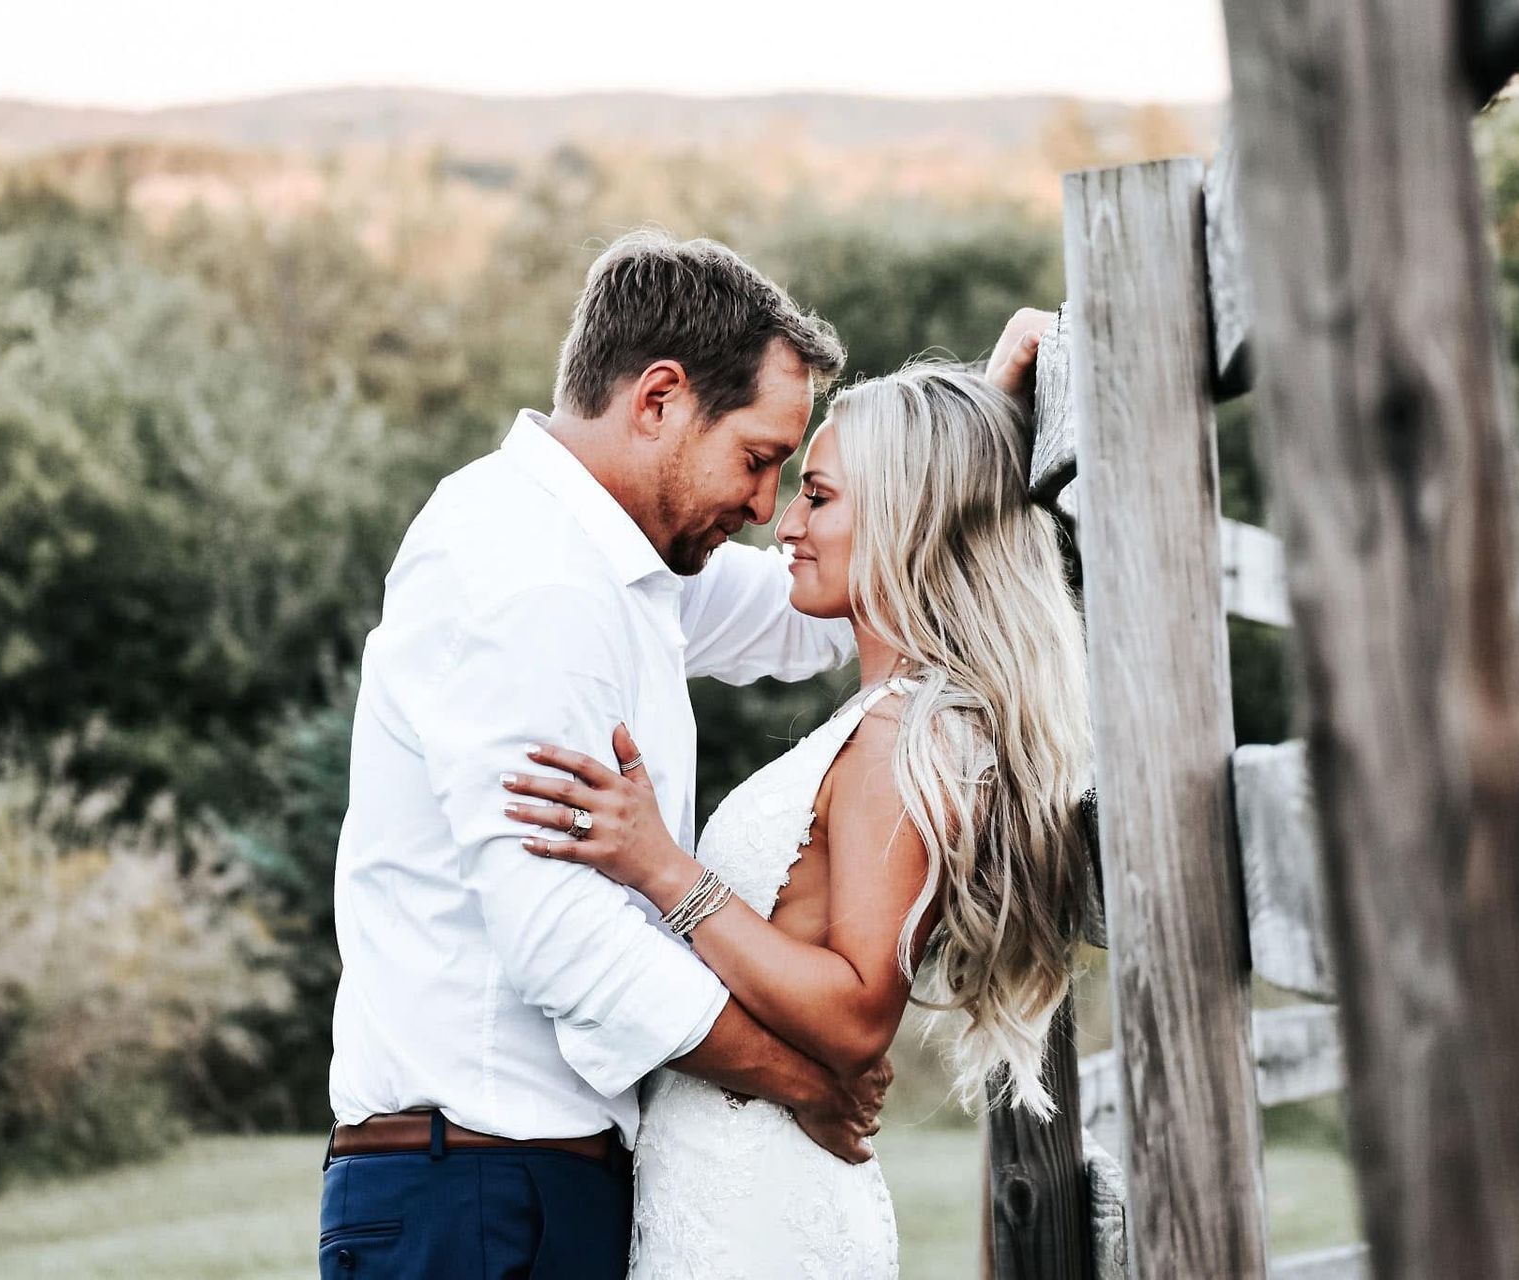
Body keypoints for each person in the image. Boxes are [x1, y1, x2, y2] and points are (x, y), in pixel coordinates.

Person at [323, 229, 895, 1280]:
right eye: (760, 458)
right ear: (660, 399)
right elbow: (562, 937)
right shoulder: (533, 576)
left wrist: (973, 433)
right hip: (480, 1191)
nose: (767, 508)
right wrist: (797, 1075)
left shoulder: (614, 563)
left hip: (520, 1182)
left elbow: (820, 601)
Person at [502, 355, 1091, 1277]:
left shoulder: (913, 732)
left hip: (765, 1211)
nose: (786, 522)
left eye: (816, 496)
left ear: (905, 516)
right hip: (719, 1187)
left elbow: (860, 1014)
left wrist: (664, 869)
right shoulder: (887, 714)